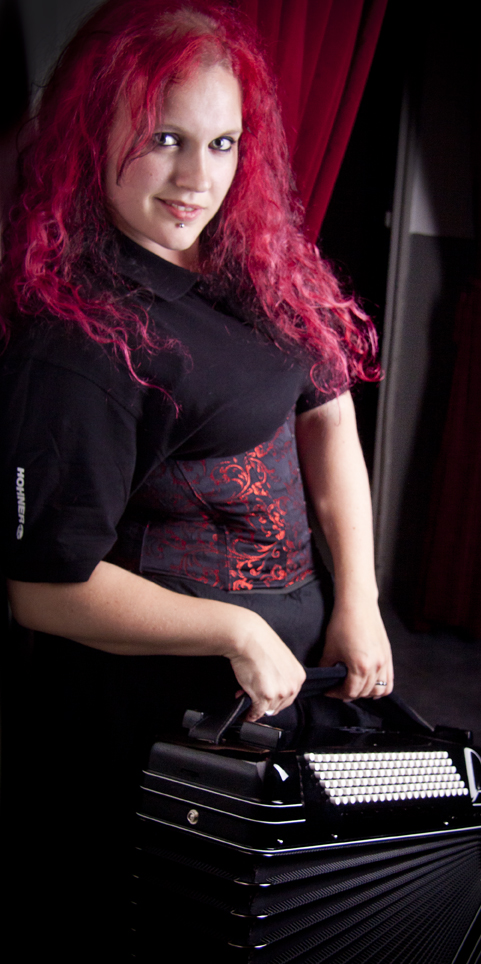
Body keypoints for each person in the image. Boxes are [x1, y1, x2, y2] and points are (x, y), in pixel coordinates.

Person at [0, 0, 392, 958]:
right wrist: (236, 630)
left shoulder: (257, 263)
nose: (196, 180)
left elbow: (327, 414)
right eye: (164, 139)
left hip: (276, 686)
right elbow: (42, 592)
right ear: (93, 135)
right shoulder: (81, 343)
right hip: (149, 719)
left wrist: (360, 600)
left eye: (222, 143)